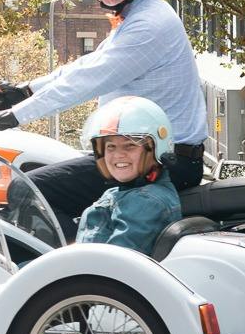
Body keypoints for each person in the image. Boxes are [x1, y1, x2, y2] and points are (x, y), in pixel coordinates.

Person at [0, 0, 210, 234]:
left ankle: (74, 275)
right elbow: (86, 65)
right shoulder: (137, 14)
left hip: (161, 160)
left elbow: (84, 82)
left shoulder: (148, 25)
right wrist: (23, 90)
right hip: (144, 150)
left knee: (26, 190)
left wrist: (11, 117)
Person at [75, 97, 184, 253]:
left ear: (154, 149)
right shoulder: (121, 193)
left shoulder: (146, 202)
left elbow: (114, 263)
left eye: (130, 146)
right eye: (111, 147)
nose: (118, 155)